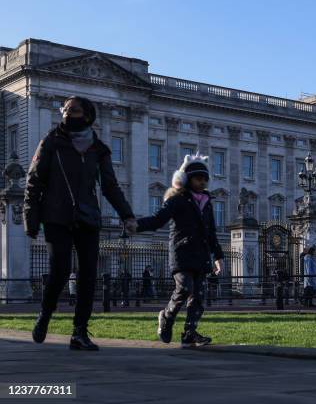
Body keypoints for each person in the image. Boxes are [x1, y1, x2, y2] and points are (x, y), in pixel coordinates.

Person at [24, 96, 137, 351]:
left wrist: (127, 215)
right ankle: (45, 314)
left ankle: (79, 333)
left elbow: (110, 187)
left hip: (88, 217)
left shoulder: (99, 150)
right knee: (60, 270)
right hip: (56, 216)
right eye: (64, 109)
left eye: (72, 110)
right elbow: (34, 183)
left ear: (87, 116)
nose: (66, 113)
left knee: (88, 275)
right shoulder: (50, 143)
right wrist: (30, 219)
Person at [129, 153, 224, 348]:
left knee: (198, 296)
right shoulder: (177, 199)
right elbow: (158, 219)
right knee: (184, 288)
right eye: (199, 178)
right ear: (188, 179)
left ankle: (189, 333)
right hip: (181, 252)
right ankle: (166, 316)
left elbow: (211, 232)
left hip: (201, 254)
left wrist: (218, 256)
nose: (203, 182)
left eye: (205, 179)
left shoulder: (207, 202)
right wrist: (136, 225)